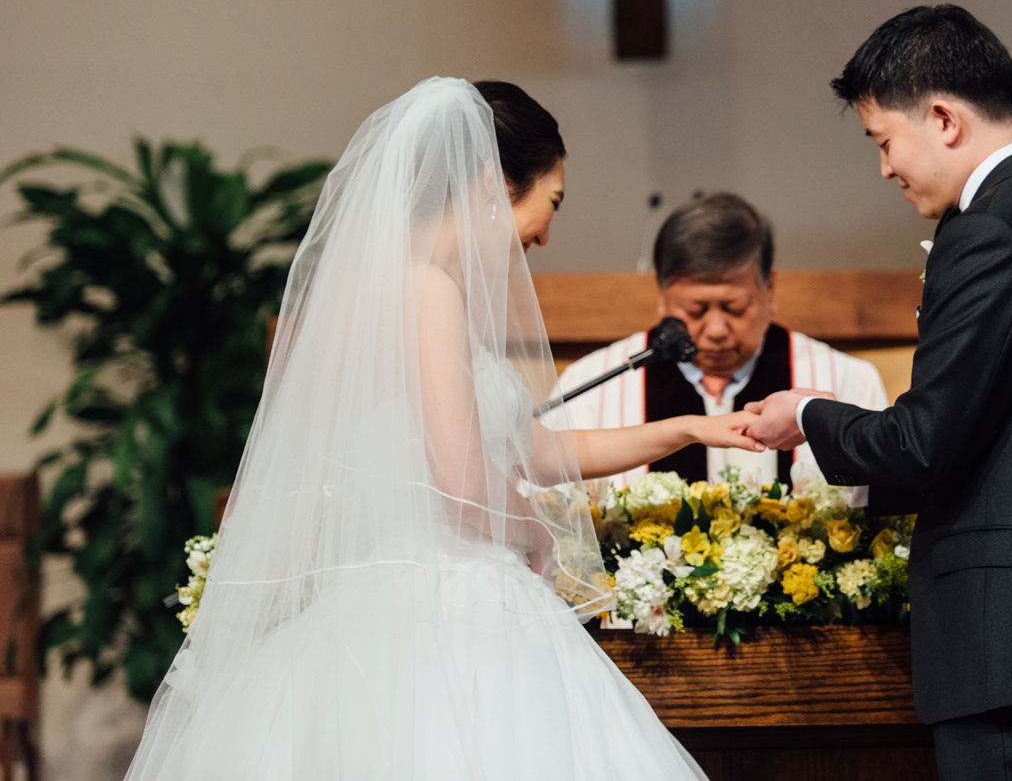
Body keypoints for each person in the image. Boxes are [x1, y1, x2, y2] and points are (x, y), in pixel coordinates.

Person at [123, 77, 759, 780]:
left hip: (383, 606)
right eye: (550, 204)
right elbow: (461, 483)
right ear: (492, 181)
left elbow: (538, 451)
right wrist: (537, 536)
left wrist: (688, 429)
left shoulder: (395, 286)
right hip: (448, 606)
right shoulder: (429, 288)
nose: (547, 233)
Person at [744, 6, 1012, 780]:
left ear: (941, 118)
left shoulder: (992, 230)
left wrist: (807, 413)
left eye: (883, 141)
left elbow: (923, 442)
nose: (884, 169)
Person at [555, 192, 887, 500]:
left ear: (769, 288)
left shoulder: (845, 381)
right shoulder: (593, 386)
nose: (716, 330)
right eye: (695, 311)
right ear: (661, 293)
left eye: (735, 309)